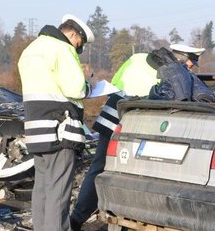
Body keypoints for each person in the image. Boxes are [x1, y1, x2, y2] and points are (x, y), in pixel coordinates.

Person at [69, 44, 206, 231]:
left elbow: (116, 81)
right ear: (181, 58)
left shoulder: (138, 58)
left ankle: (76, 219)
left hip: (113, 114)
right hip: (135, 124)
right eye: (190, 64)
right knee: (131, 174)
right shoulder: (174, 74)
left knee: (99, 169)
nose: (190, 68)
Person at [18, 13, 94, 231]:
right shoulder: (62, 49)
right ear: (72, 33)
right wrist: (88, 85)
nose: (79, 50)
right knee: (59, 191)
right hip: (59, 131)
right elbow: (76, 88)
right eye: (79, 44)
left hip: (36, 130)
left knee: (42, 188)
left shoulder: (31, 49)